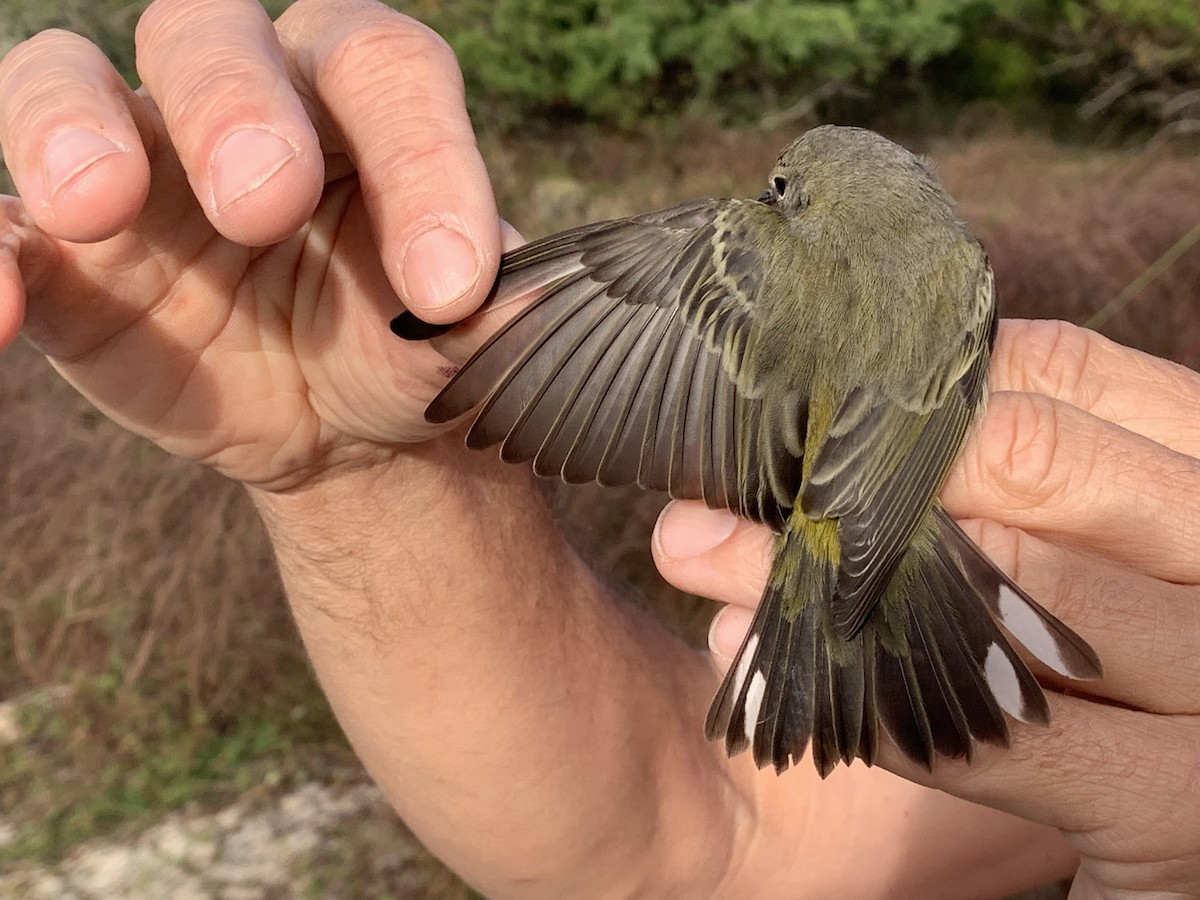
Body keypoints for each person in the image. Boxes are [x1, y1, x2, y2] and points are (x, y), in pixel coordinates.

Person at [0, 1, 1196, 896]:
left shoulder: (748, 245)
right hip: (884, 533)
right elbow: (707, 845)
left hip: (845, 544)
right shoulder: (950, 272)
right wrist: (357, 471)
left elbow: (634, 295)